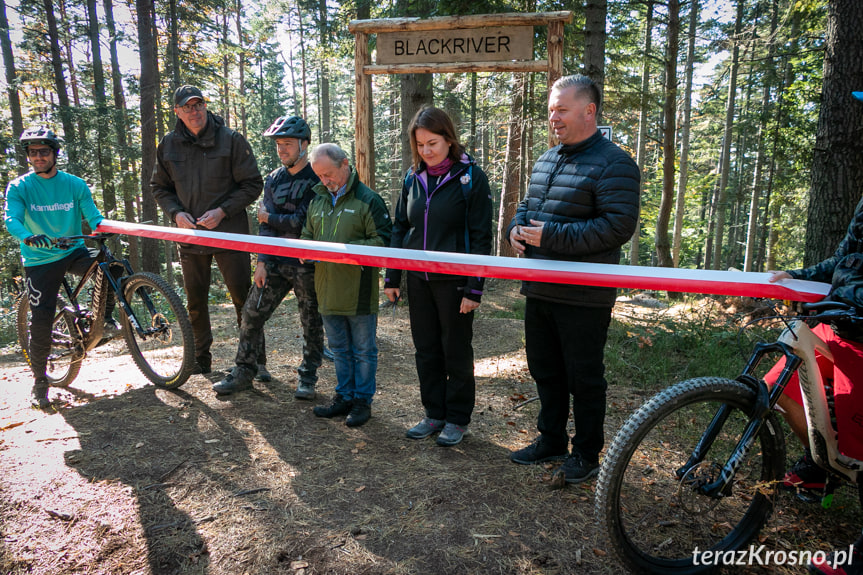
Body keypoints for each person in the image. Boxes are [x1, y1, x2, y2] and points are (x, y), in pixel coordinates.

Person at [507, 74, 640, 483]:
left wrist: (550, 236)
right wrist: (516, 228)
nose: (554, 118)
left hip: (585, 295)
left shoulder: (616, 163)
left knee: (583, 377)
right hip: (540, 286)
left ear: (589, 111)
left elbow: (617, 227)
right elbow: (528, 206)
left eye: (561, 109)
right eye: (551, 110)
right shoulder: (548, 159)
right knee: (544, 368)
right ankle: (551, 439)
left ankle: (586, 454)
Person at [768, 90, 863, 575]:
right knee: (778, 386)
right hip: (840, 321)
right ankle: (824, 470)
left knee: (862, 433)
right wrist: (802, 275)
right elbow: (848, 257)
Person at [384, 106, 493, 447]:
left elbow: (480, 237)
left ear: (448, 139)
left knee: (455, 350)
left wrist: (474, 289)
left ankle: (457, 419)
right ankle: (434, 413)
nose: (426, 151)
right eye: (420, 145)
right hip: (419, 280)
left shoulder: (471, 177)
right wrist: (392, 278)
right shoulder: (411, 177)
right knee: (426, 349)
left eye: (433, 143)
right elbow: (401, 228)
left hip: (455, 282)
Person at [151, 85, 264, 377]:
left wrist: (223, 211)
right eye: (187, 107)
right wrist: (176, 214)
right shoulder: (168, 145)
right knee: (196, 302)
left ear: (205, 107)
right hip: (191, 237)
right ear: (177, 112)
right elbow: (159, 187)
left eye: (198, 104)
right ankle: (201, 359)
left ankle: (254, 361)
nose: (194, 111)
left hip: (229, 234)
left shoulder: (231, 140)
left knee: (243, 299)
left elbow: (252, 184)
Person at [213, 116, 326, 398]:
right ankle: (243, 371)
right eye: (278, 145)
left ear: (304, 144)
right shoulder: (274, 179)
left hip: (305, 263)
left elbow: (302, 222)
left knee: (310, 320)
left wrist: (270, 217)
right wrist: (261, 262)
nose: (282, 149)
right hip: (274, 261)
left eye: (287, 144)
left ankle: (308, 377)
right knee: (251, 313)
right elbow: (266, 225)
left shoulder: (316, 178)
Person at [3, 127, 107, 408]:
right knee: (42, 321)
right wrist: (26, 236)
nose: (38, 157)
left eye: (44, 152)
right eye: (33, 152)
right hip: (40, 260)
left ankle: (103, 320)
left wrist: (101, 228)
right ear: (28, 155)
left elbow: (93, 215)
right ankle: (40, 382)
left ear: (54, 154)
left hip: (73, 251)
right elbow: (11, 218)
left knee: (109, 267)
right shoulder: (19, 187)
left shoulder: (74, 184)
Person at [301, 144, 392, 427]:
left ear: (345, 164)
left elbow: (384, 243)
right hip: (326, 290)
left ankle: (362, 402)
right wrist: (305, 249)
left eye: (328, 174)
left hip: (359, 292)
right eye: (319, 176)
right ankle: (343, 397)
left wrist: (342, 250)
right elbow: (306, 236)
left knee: (364, 350)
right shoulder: (316, 201)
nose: (324, 181)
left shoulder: (368, 200)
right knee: (339, 349)